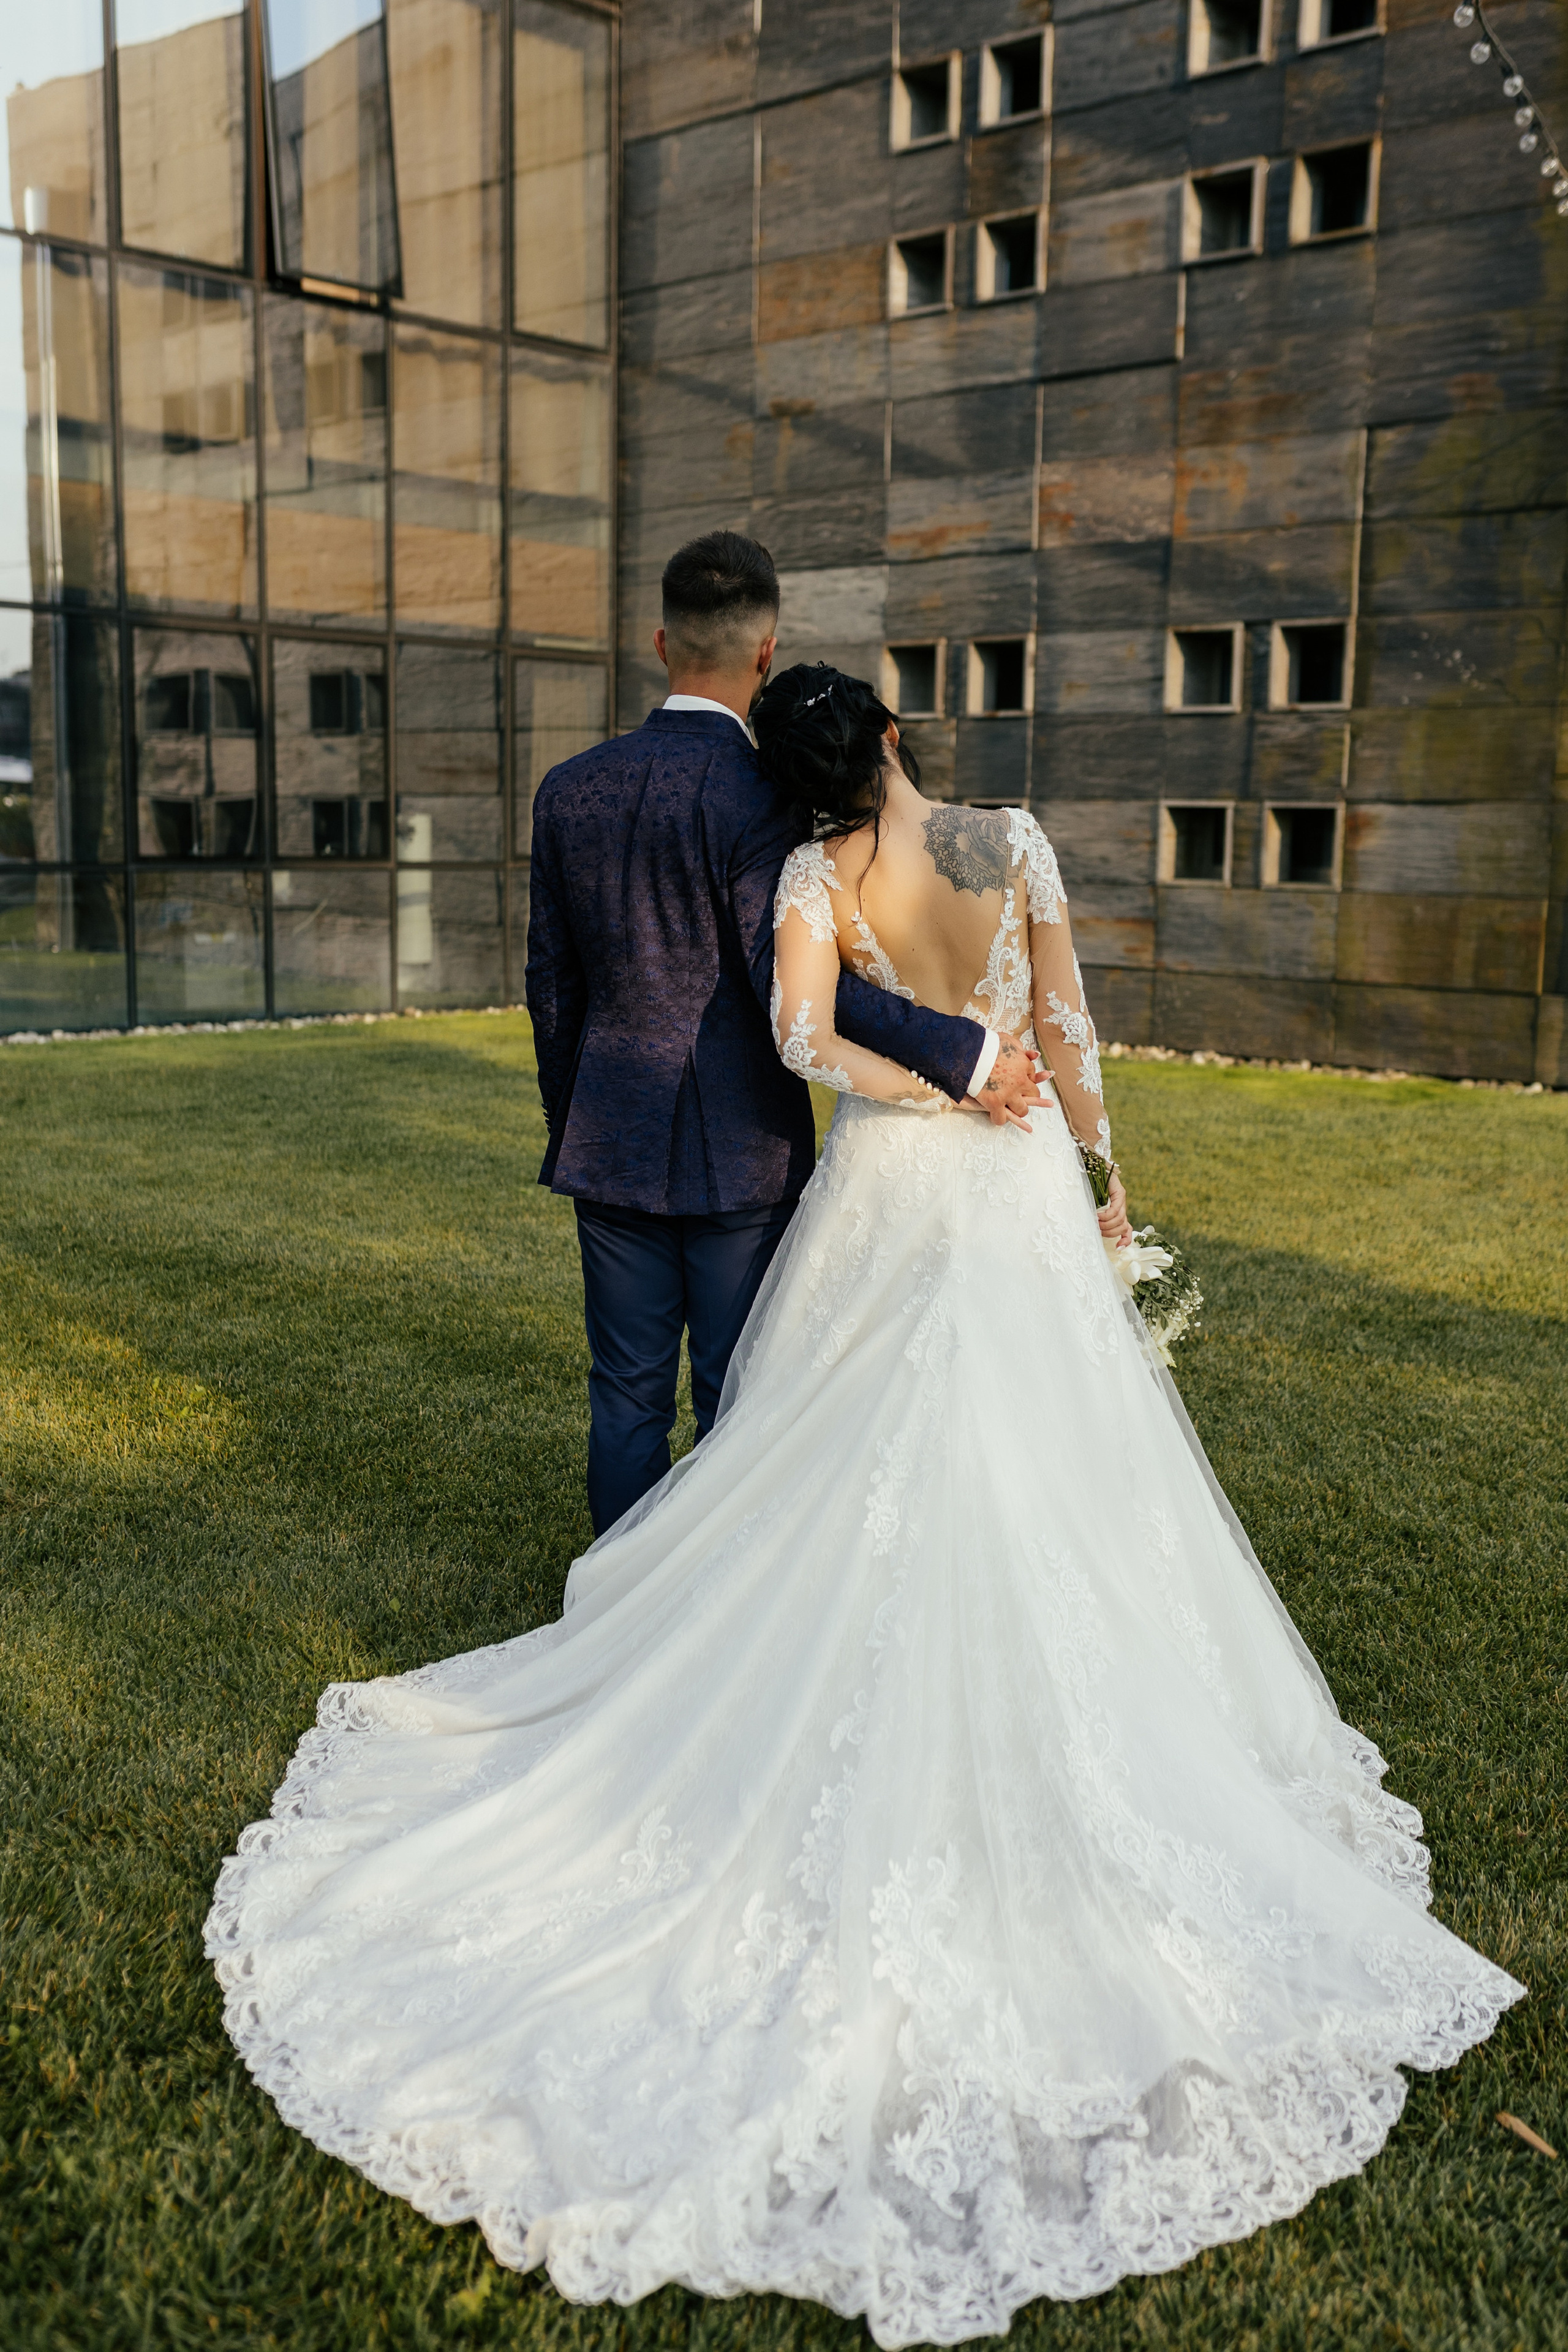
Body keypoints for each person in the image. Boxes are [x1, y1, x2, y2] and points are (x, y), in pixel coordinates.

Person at [207, 665, 1522, 2348]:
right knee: (1048, 1467)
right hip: (1022, 1195)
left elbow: (800, 1040)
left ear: (798, 772)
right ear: (896, 739)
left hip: (893, 1191)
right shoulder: (1016, 841)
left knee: (821, 1453)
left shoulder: (810, 881)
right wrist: (1101, 1177)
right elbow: (1067, 1030)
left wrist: (919, 1093)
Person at [522, 530, 1074, 1534]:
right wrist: (963, 1052)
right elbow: (795, 983)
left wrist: (581, 1122)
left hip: (610, 1141)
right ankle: (719, 1617)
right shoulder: (769, 795)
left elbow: (550, 990)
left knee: (624, 1397)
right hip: (746, 1148)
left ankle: (613, 1618)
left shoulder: (568, 790)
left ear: (660, 642)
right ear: (767, 651)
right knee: (743, 1397)